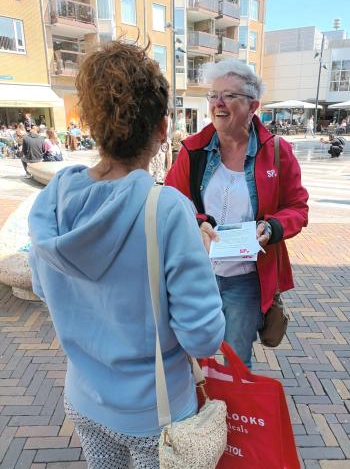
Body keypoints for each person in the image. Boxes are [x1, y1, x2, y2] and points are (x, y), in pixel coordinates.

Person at [28, 41, 225, 469]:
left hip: (84, 397)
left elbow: (45, 289)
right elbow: (203, 337)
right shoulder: (168, 211)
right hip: (156, 415)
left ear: (93, 126)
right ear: (160, 129)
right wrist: (200, 254)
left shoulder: (53, 202)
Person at [165, 58, 309, 368]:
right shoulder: (193, 150)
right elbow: (172, 202)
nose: (217, 103)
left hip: (246, 279)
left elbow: (298, 208)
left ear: (253, 105)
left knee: (237, 360)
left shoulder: (278, 152)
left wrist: (272, 227)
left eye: (229, 96)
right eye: (213, 95)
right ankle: (202, 412)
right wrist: (199, 222)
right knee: (191, 356)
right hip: (197, 274)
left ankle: (234, 415)